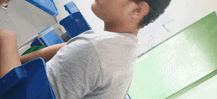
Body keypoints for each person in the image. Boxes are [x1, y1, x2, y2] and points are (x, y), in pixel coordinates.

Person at [0, 0, 171, 98]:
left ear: (137, 10)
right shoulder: (122, 48)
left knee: (6, 37)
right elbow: (62, 48)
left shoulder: (97, 49)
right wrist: (12, 59)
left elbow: (27, 95)